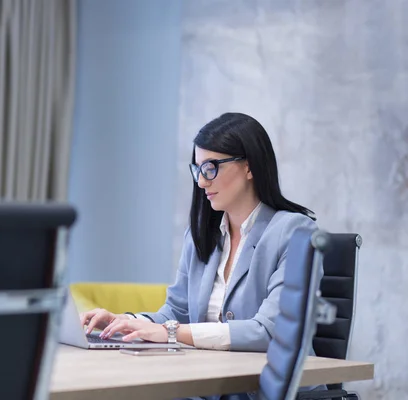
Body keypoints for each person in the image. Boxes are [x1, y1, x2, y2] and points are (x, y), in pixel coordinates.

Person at [80, 112, 325, 400]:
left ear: (249, 166)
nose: (201, 182)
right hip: (211, 386)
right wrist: (124, 321)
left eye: (210, 168)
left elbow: (271, 332)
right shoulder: (202, 234)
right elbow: (176, 312)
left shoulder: (295, 232)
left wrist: (171, 333)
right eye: (197, 169)